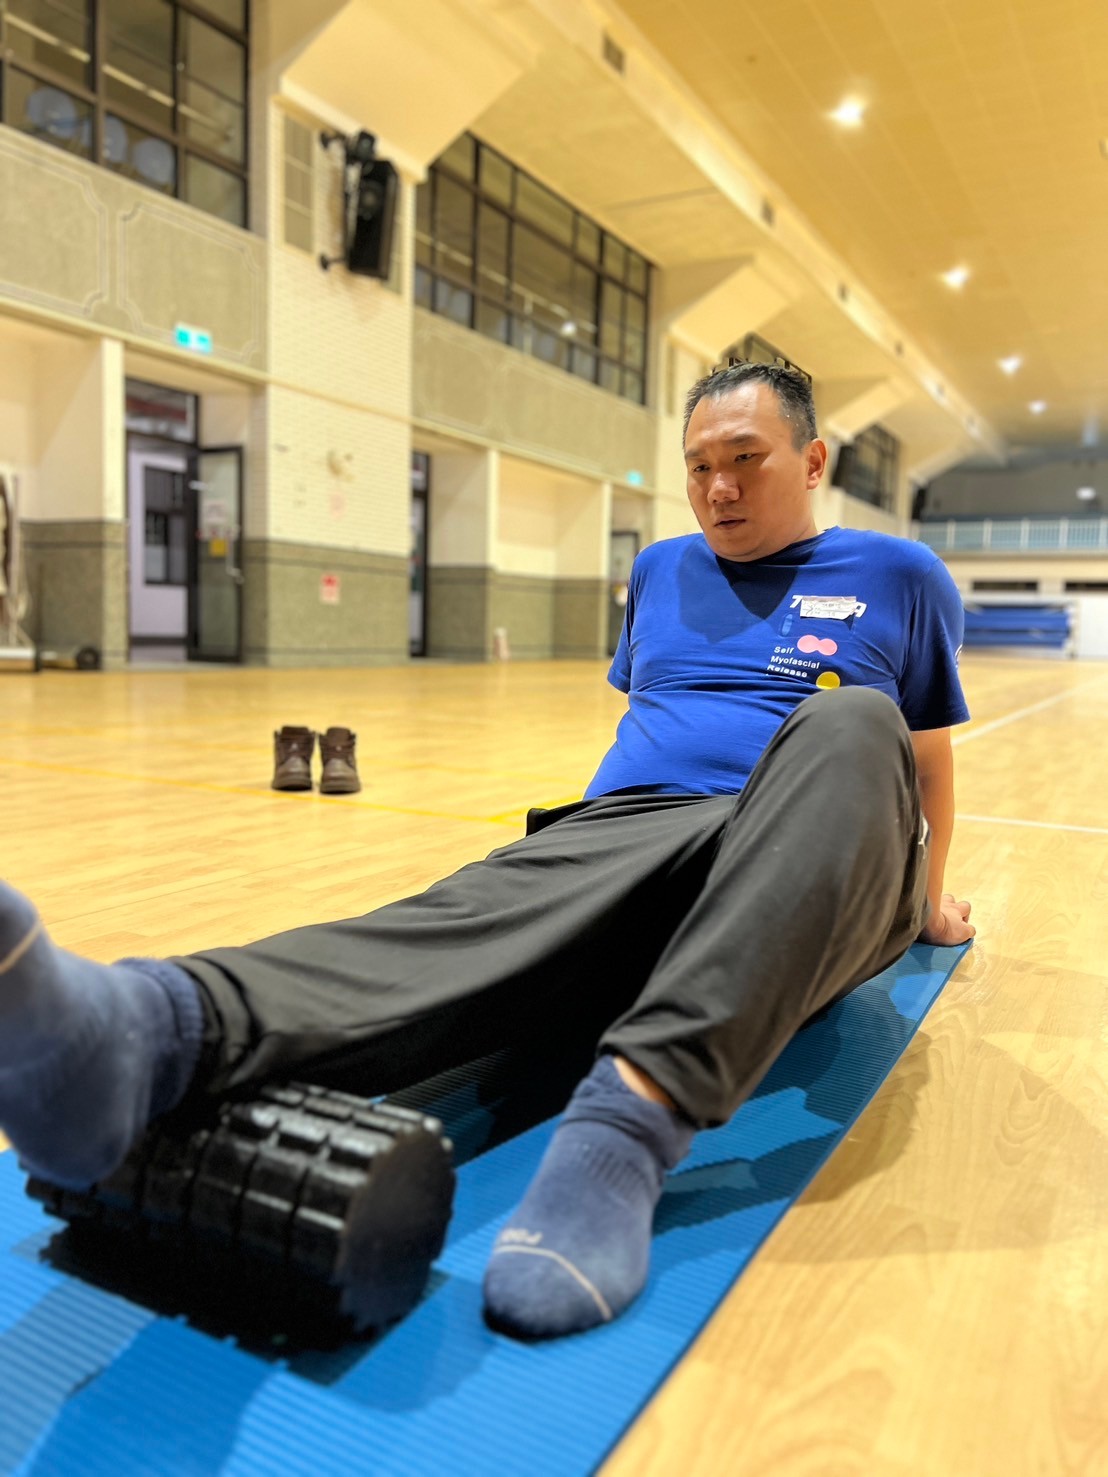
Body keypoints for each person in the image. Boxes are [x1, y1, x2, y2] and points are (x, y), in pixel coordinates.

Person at [0, 362, 975, 1341]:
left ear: (812, 460)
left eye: (745, 460)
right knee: (449, 926)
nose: (718, 487)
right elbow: (655, 718)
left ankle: (627, 1129)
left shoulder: (899, 575)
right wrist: (587, 866)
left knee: (853, 719)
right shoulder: (660, 570)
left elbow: (922, 761)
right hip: (636, 832)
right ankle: (143, 1032)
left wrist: (927, 902)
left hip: (821, 859)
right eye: (698, 467)